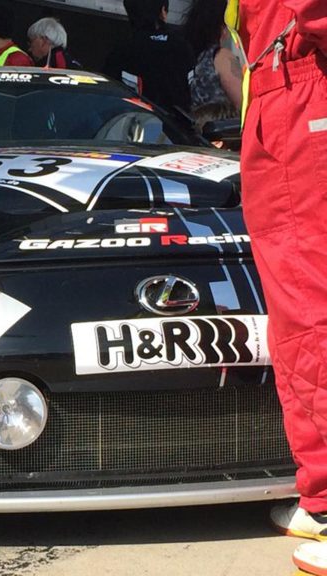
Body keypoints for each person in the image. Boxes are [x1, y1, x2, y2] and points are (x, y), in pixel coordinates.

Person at [232, 0, 327, 573]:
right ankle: (321, 496)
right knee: (296, 315)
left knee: (312, 310)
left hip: (301, 95)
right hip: (280, 97)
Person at [103, 0, 194, 111]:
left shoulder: (123, 50)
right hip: (176, 120)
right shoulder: (182, 47)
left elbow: (107, 93)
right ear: (163, 11)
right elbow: (191, 90)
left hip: (137, 118)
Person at [183, 0, 242, 115]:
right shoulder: (221, 57)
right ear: (222, 27)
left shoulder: (189, 56)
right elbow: (243, 101)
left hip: (192, 122)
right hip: (220, 123)